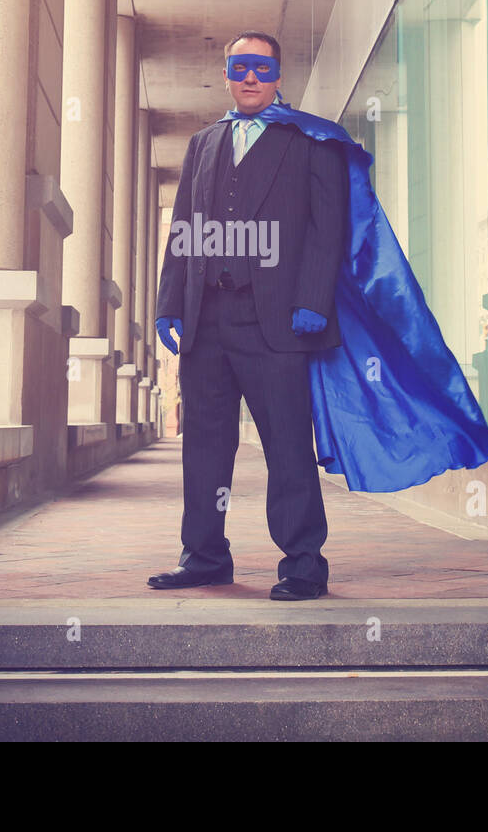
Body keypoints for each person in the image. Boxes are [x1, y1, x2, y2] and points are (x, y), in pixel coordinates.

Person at [150, 32, 345, 601]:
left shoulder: (310, 141)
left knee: (287, 444)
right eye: (240, 67)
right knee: (205, 445)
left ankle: (304, 564)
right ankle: (205, 557)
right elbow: (183, 229)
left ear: (278, 75)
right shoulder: (203, 144)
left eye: (261, 67)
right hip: (205, 321)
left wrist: (313, 298)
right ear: (228, 74)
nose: (250, 77)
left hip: (278, 322)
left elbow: (325, 228)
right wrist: (168, 304)